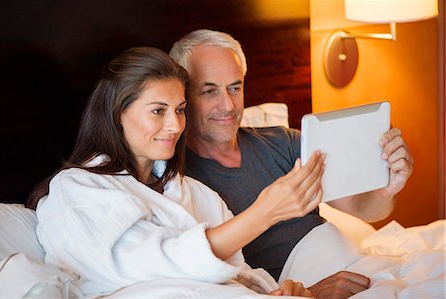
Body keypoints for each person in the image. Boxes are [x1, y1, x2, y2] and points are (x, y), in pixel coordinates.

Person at [26, 46, 322, 297]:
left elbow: (236, 274)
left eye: (179, 110)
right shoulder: (78, 189)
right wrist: (263, 213)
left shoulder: (194, 192)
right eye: (158, 111)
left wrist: (275, 291)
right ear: (117, 114)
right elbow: (151, 266)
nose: (175, 125)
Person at [169, 29, 414, 298]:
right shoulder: (178, 180)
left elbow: (362, 209)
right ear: (182, 96)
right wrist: (311, 292)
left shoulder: (283, 142)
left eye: (234, 88)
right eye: (209, 91)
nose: (227, 105)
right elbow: (199, 272)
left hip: (352, 264)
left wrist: (386, 187)